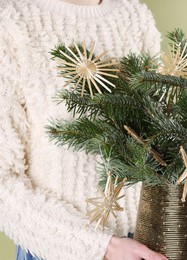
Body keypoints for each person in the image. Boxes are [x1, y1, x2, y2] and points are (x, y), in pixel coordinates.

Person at [0, 0, 167, 259]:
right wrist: (100, 247)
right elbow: (3, 183)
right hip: (54, 250)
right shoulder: (12, 21)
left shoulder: (135, 16)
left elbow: (157, 144)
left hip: (144, 247)